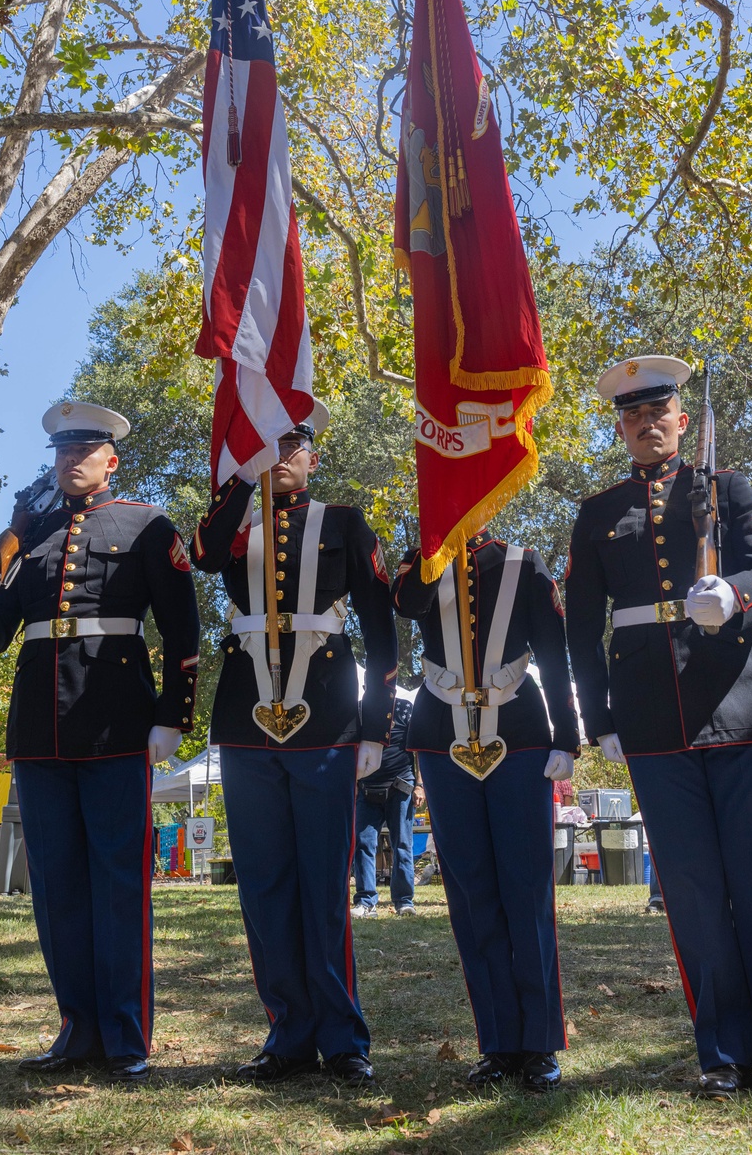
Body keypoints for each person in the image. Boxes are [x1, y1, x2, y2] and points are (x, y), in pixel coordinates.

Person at [564, 356, 752, 1099]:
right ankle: (722, 1051)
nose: (648, 425)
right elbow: (582, 629)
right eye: (633, 416)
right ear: (621, 427)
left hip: (740, 710)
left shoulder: (728, 491)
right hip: (649, 720)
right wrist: (600, 715)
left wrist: (735, 594)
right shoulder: (598, 513)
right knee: (693, 893)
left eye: (659, 412)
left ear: (681, 420)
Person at [0, 401, 200, 1080]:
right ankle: (77, 1030)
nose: (71, 461)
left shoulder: (147, 525)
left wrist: (171, 716)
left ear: (110, 459)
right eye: (62, 452)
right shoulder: (28, 534)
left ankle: (125, 1038)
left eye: (84, 450)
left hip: (118, 723)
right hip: (39, 729)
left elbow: (183, 630)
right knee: (57, 888)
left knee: (120, 885)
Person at [191, 406, 398, 1087]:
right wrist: (242, 482)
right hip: (248, 723)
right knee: (265, 885)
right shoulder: (238, 518)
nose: (283, 453)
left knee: (322, 885)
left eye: (295, 444)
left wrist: (374, 726)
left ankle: (342, 1038)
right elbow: (204, 556)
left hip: (329, 720)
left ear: (314, 456)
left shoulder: (343, 522)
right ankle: (287, 1034)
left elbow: (379, 625)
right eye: (271, 443)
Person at [392, 527, 580, 1093]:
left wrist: (566, 737)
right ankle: (498, 1041)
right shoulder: (421, 559)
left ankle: (540, 1042)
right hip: (441, 736)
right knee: (471, 893)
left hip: (520, 733)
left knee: (526, 889)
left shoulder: (525, 558)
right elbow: (406, 606)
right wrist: (433, 551)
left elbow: (553, 646)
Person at [352, 683, 422, 919]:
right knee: (363, 844)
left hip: (399, 785)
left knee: (402, 844)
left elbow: (417, 749)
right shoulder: (358, 711)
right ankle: (365, 901)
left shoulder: (405, 709)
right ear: (365, 688)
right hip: (366, 788)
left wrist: (420, 785)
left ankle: (404, 900)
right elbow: (350, 749)